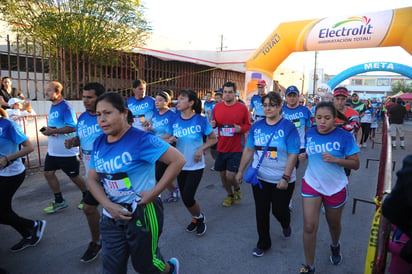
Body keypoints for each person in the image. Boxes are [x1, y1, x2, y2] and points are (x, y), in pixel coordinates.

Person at [87, 92, 185, 274]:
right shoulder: (99, 142)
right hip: (111, 216)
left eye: (107, 113)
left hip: (142, 211)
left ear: (124, 113)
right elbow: (92, 179)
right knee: (111, 268)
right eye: (99, 114)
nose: (102, 119)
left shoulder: (141, 139)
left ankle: (170, 269)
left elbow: (178, 160)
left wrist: (155, 192)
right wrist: (108, 205)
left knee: (146, 266)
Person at [235, 92, 300, 257]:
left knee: (279, 210)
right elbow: (249, 149)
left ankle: (285, 223)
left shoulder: (288, 127)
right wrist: (240, 170)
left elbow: (293, 153)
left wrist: (286, 177)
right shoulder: (256, 126)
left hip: (282, 179)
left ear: (279, 106)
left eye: (272, 105)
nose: (268, 108)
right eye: (265, 105)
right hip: (261, 178)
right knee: (261, 211)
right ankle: (263, 243)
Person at [298, 101, 360, 274]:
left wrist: (337, 160)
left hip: (335, 186)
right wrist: (305, 155)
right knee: (309, 226)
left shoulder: (345, 136)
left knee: (333, 224)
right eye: (318, 118)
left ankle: (335, 245)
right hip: (312, 183)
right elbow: (313, 153)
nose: (322, 122)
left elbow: (356, 164)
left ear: (334, 119)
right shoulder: (310, 133)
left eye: (326, 118)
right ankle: (309, 266)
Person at [165, 89, 217, 236]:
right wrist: (168, 140)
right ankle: (196, 218)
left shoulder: (201, 120)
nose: (178, 101)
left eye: (182, 99)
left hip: (196, 166)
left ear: (191, 102)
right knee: (186, 198)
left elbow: (213, 139)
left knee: (188, 197)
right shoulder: (174, 119)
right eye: (178, 99)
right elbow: (165, 138)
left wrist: (201, 148)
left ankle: (200, 218)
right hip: (179, 165)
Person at [64, 82, 105, 263]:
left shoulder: (107, 116)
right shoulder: (81, 118)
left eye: (90, 97)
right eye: (84, 96)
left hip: (114, 173)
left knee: (124, 211)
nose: (85, 100)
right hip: (92, 174)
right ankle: (97, 242)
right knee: (89, 208)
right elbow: (84, 137)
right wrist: (75, 141)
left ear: (100, 98)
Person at [0, 110, 46, 252]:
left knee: (2, 213)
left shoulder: (9, 125)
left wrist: (7, 158)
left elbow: (29, 147)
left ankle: (33, 225)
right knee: (5, 211)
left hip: (12, 173)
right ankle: (27, 234)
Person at [41, 81, 88, 213]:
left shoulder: (66, 107)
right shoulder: (53, 106)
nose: (46, 92)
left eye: (49, 90)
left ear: (58, 93)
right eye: (46, 90)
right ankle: (59, 201)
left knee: (74, 176)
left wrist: (52, 131)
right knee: (48, 173)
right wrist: (49, 130)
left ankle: (87, 196)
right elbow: (57, 126)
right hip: (53, 150)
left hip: (66, 151)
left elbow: (73, 126)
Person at [211, 81, 251, 207]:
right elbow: (215, 122)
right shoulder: (217, 107)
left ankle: (237, 188)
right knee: (222, 175)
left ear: (235, 94)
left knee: (230, 175)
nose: (227, 95)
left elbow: (248, 125)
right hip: (221, 146)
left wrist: (240, 129)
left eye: (230, 92)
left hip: (236, 147)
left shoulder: (242, 108)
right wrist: (213, 124)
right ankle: (230, 194)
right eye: (225, 92)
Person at [147, 89, 180, 203]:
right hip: (155, 146)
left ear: (167, 101)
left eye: (160, 100)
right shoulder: (155, 114)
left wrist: (153, 137)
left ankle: (173, 190)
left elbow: (168, 137)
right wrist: (149, 128)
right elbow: (153, 128)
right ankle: (173, 190)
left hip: (166, 148)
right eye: (156, 100)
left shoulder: (172, 115)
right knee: (156, 173)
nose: (157, 102)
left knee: (159, 174)